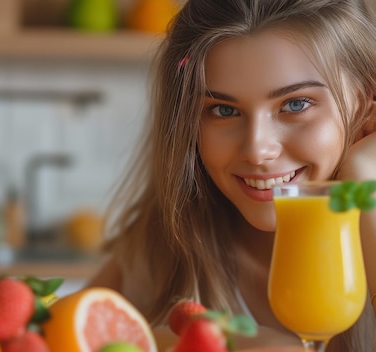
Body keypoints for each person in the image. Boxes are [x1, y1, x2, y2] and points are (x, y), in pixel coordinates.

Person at [87, 0, 376, 351]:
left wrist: (366, 184)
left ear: (365, 100)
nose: (257, 149)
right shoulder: (164, 252)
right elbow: (61, 336)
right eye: (224, 110)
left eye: (296, 104)